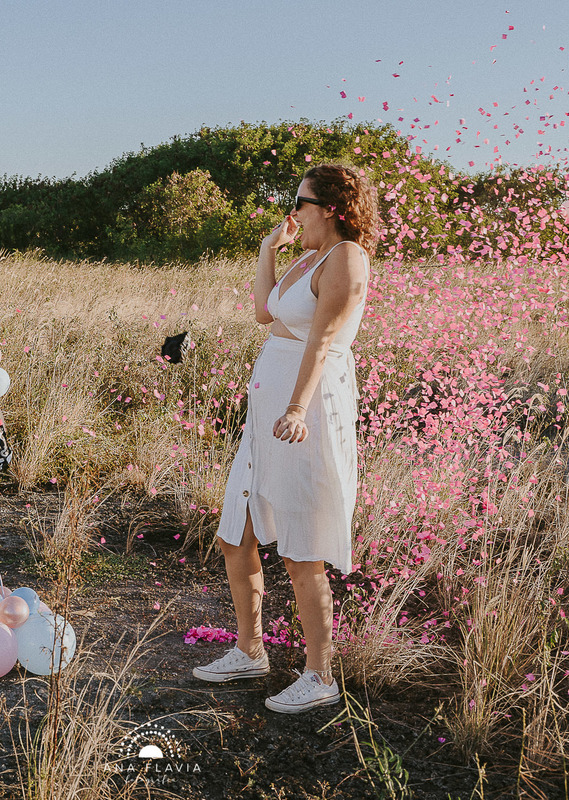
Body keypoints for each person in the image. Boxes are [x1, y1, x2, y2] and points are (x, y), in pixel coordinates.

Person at [192, 163, 376, 713]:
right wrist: (270, 248)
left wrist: (297, 408)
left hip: (306, 414)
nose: (291, 208)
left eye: (300, 200)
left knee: (303, 550)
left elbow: (321, 342)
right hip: (265, 417)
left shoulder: (347, 257)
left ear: (331, 209)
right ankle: (251, 651)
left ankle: (320, 676)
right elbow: (261, 312)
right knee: (236, 532)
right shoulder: (307, 258)